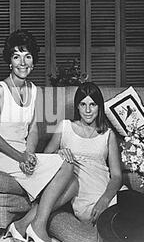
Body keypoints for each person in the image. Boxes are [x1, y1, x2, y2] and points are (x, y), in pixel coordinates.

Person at [0, 30, 78, 242]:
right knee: (66, 172)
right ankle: (37, 227)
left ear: (33, 61)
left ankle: (25, 224)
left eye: (27, 56)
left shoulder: (34, 90)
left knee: (73, 182)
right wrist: (20, 157)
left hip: (24, 153)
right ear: (9, 61)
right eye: (16, 56)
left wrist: (29, 154)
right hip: (3, 155)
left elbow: (34, 131)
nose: (22, 62)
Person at [44, 81, 123, 224]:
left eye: (92, 104)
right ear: (77, 106)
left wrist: (105, 199)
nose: (87, 110)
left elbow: (117, 175)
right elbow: (45, 158)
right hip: (86, 204)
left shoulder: (107, 134)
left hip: (111, 195)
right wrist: (58, 154)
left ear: (99, 107)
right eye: (83, 104)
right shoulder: (65, 127)